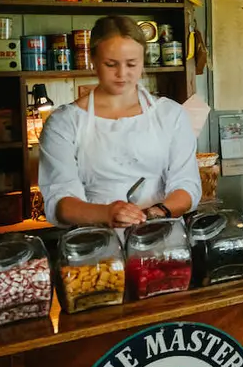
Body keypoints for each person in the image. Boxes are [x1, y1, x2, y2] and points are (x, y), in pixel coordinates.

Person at [39, 15, 201, 228]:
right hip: (96, 240)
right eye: (111, 64)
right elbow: (59, 202)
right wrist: (106, 213)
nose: (122, 74)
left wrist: (157, 212)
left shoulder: (170, 114)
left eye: (132, 64)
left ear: (143, 60)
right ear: (93, 60)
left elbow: (187, 185)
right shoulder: (64, 123)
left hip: (161, 235)